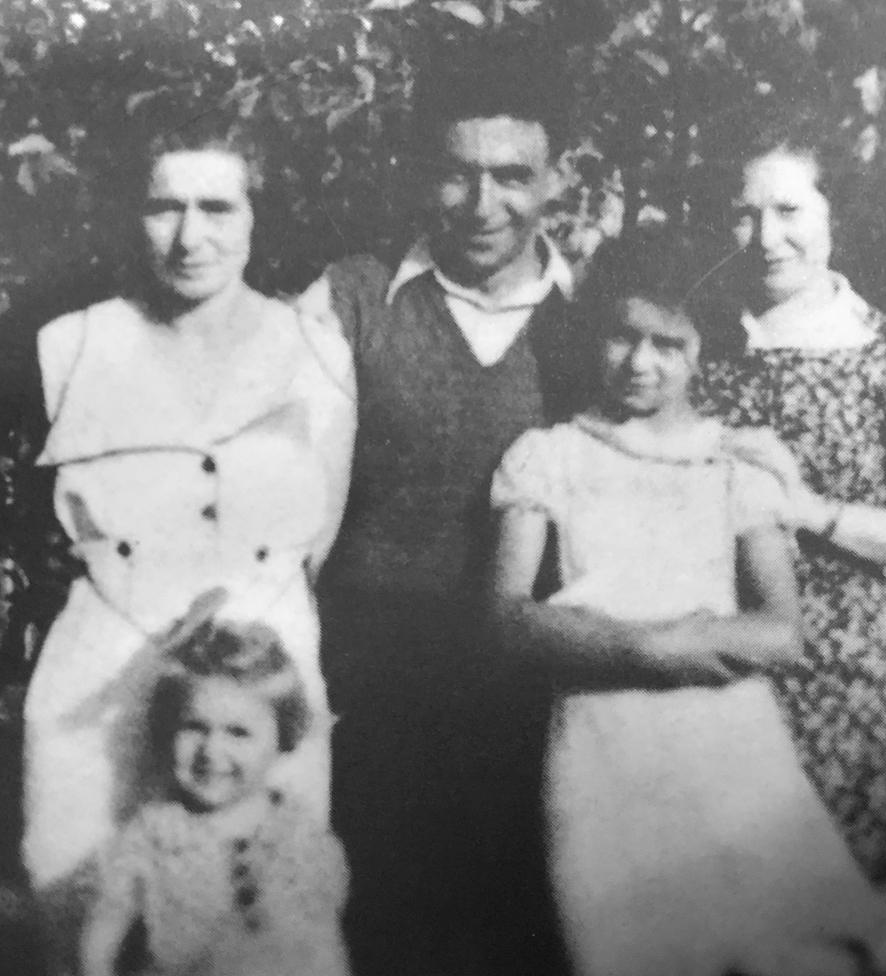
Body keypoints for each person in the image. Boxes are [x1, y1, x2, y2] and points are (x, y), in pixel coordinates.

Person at [487, 239, 886, 976]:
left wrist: (689, 641)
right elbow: (505, 618)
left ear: (702, 353)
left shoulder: (732, 463)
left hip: (729, 743)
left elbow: (783, 632)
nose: (640, 363)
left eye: (669, 344)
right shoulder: (549, 455)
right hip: (605, 743)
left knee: (778, 947)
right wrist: (645, 649)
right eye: (622, 336)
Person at [21, 96, 355, 972]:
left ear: (256, 216)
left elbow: (320, 525)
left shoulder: (316, 349)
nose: (188, 235)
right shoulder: (69, 344)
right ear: (134, 212)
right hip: (99, 669)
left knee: (266, 926)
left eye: (218, 207)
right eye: (164, 206)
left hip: (261, 673)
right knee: (77, 904)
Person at [298, 32, 588, 976]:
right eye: (457, 175)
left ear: (556, 179)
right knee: (379, 932)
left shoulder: (601, 323)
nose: (484, 204)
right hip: (378, 685)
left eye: (513, 175)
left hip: (549, 693)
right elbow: (296, 514)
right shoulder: (348, 299)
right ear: (423, 174)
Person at [696, 121, 886, 970]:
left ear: (834, 215)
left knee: (876, 940)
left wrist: (813, 512)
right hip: (720, 693)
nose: (766, 236)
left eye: (788, 208)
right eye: (743, 214)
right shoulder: (692, 351)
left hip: (852, 703)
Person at [81, 603, 349, 976]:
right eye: (194, 727)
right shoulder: (154, 835)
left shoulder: (300, 837)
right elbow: (100, 939)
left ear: (282, 737)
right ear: (167, 730)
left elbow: (323, 947)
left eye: (238, 732)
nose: (212, 750)